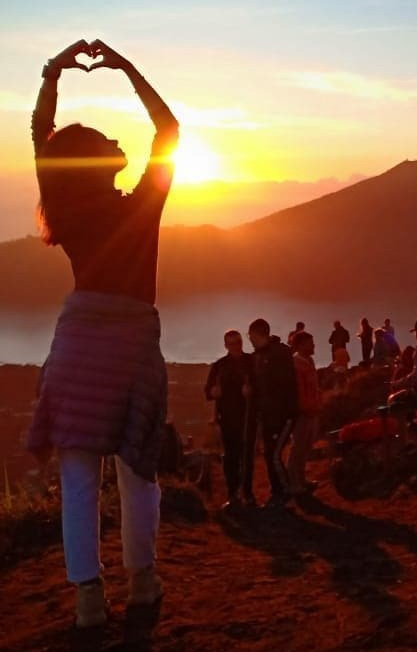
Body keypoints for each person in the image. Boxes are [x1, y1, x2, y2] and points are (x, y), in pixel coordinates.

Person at [26, 40, 179, 628]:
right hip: (131, 346)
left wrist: (54, 71)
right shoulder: (143, 204)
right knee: (137, 468)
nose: (119, 142)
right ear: (101, 161)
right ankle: (142, 580)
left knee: (78, 474)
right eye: (109, 141)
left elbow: (42, 134)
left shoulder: (67, 212)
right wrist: (127, 69)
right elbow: (167, 129)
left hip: (75, 345)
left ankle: (88, 598)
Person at [248, 318, 298, 507]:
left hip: (282, 415)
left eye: (251, 335)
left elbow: (284, 386)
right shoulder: (260, 356)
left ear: (259, 334)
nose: (250, 339)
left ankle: (284, 492)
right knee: (270, 454)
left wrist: (285, 412)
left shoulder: (279, 354)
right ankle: (278, 492)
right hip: (269, 415)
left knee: (274, 455)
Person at [205, 331, 256, 509]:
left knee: (247, 456)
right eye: (232, 343)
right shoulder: (220, 366)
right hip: (227, 418)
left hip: (248, 417)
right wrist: (214, 392)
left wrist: (252, 392)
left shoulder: (251, 362)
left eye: (238, 342)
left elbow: (261, 387)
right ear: (226, 345)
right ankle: (233, 494)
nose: (236, 346)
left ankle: (248, 494)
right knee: (231, 457)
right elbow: (208, 391)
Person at [289, 332, 322, 494]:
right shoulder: (296, 365)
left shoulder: (308, 361)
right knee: (298, 448)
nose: (314, 346)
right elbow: (299, 393)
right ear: (301, 345)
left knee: (306, 447)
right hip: (303, 414)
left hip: (312, 411)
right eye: (310, 343)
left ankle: (301, 480)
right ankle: (293, 482)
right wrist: (308, 409)